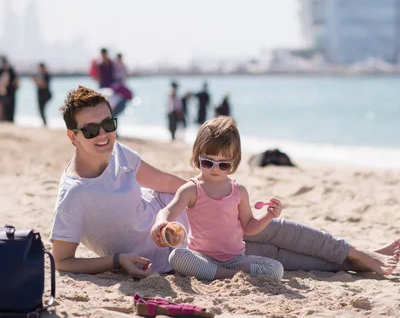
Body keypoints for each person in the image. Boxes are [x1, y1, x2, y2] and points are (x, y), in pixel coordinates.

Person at [50, 86, 399, 279]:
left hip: (200, 217)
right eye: (91, 130)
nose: (104, 135)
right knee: (283, 258)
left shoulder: (121, 153)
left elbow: (169, 183)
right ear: (73, 136)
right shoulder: (74, 196)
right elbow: (63, 262)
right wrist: (118, 260)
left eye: (108, 124)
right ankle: (354, 261)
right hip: (193, 254)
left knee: (277, 229)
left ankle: (358, 252)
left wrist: (204, 194)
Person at [151, 116, 284, 280]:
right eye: (208, 162)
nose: (215, 168)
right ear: (197, 155)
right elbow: (168, 210)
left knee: (276, 269)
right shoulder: (192, 189)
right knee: (177, 257)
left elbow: (249, 226)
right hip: (201, 258)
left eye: (223, 164)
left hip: (235, 260)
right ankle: (232, 276)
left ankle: (221, 274)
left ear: (234, 162)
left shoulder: (239, 191)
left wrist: (269, 215)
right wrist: (160, 223)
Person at [0, 56, 19, 122]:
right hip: (3, 92)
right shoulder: (2, 70)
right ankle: (3, 118)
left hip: (10, 92)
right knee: (3, 106)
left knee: (10, 107)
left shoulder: (11, 71)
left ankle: (10, 119)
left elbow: (16, 81)